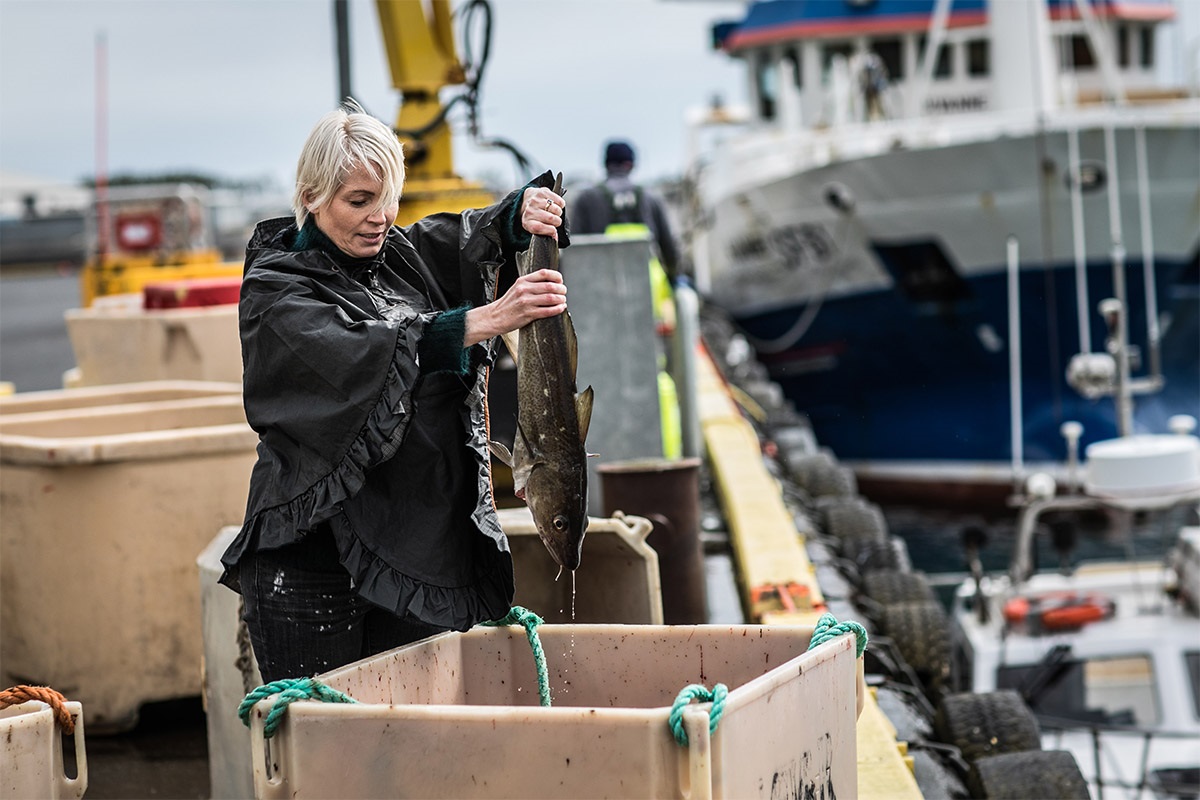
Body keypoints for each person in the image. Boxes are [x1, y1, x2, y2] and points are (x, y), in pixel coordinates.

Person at [218, 100, 569, 683]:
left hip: (406, 559)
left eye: (388, 199)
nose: (379, 218)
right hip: (307, 567)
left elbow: (458, 237)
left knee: (407, 731)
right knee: (322, 733)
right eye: (359, 201)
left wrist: (518, 214)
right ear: (311, 196)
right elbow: (357, 349)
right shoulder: (274, 291)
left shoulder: (397, 254)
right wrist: (486, 319)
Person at [570, 140, 681, 281]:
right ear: (631, 165)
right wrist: (673, 278)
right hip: (650, 286)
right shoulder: (651, 198)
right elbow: (669, 248)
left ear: (606, 164)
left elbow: (573, 249)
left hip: (600, 285)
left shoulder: (586, 199)